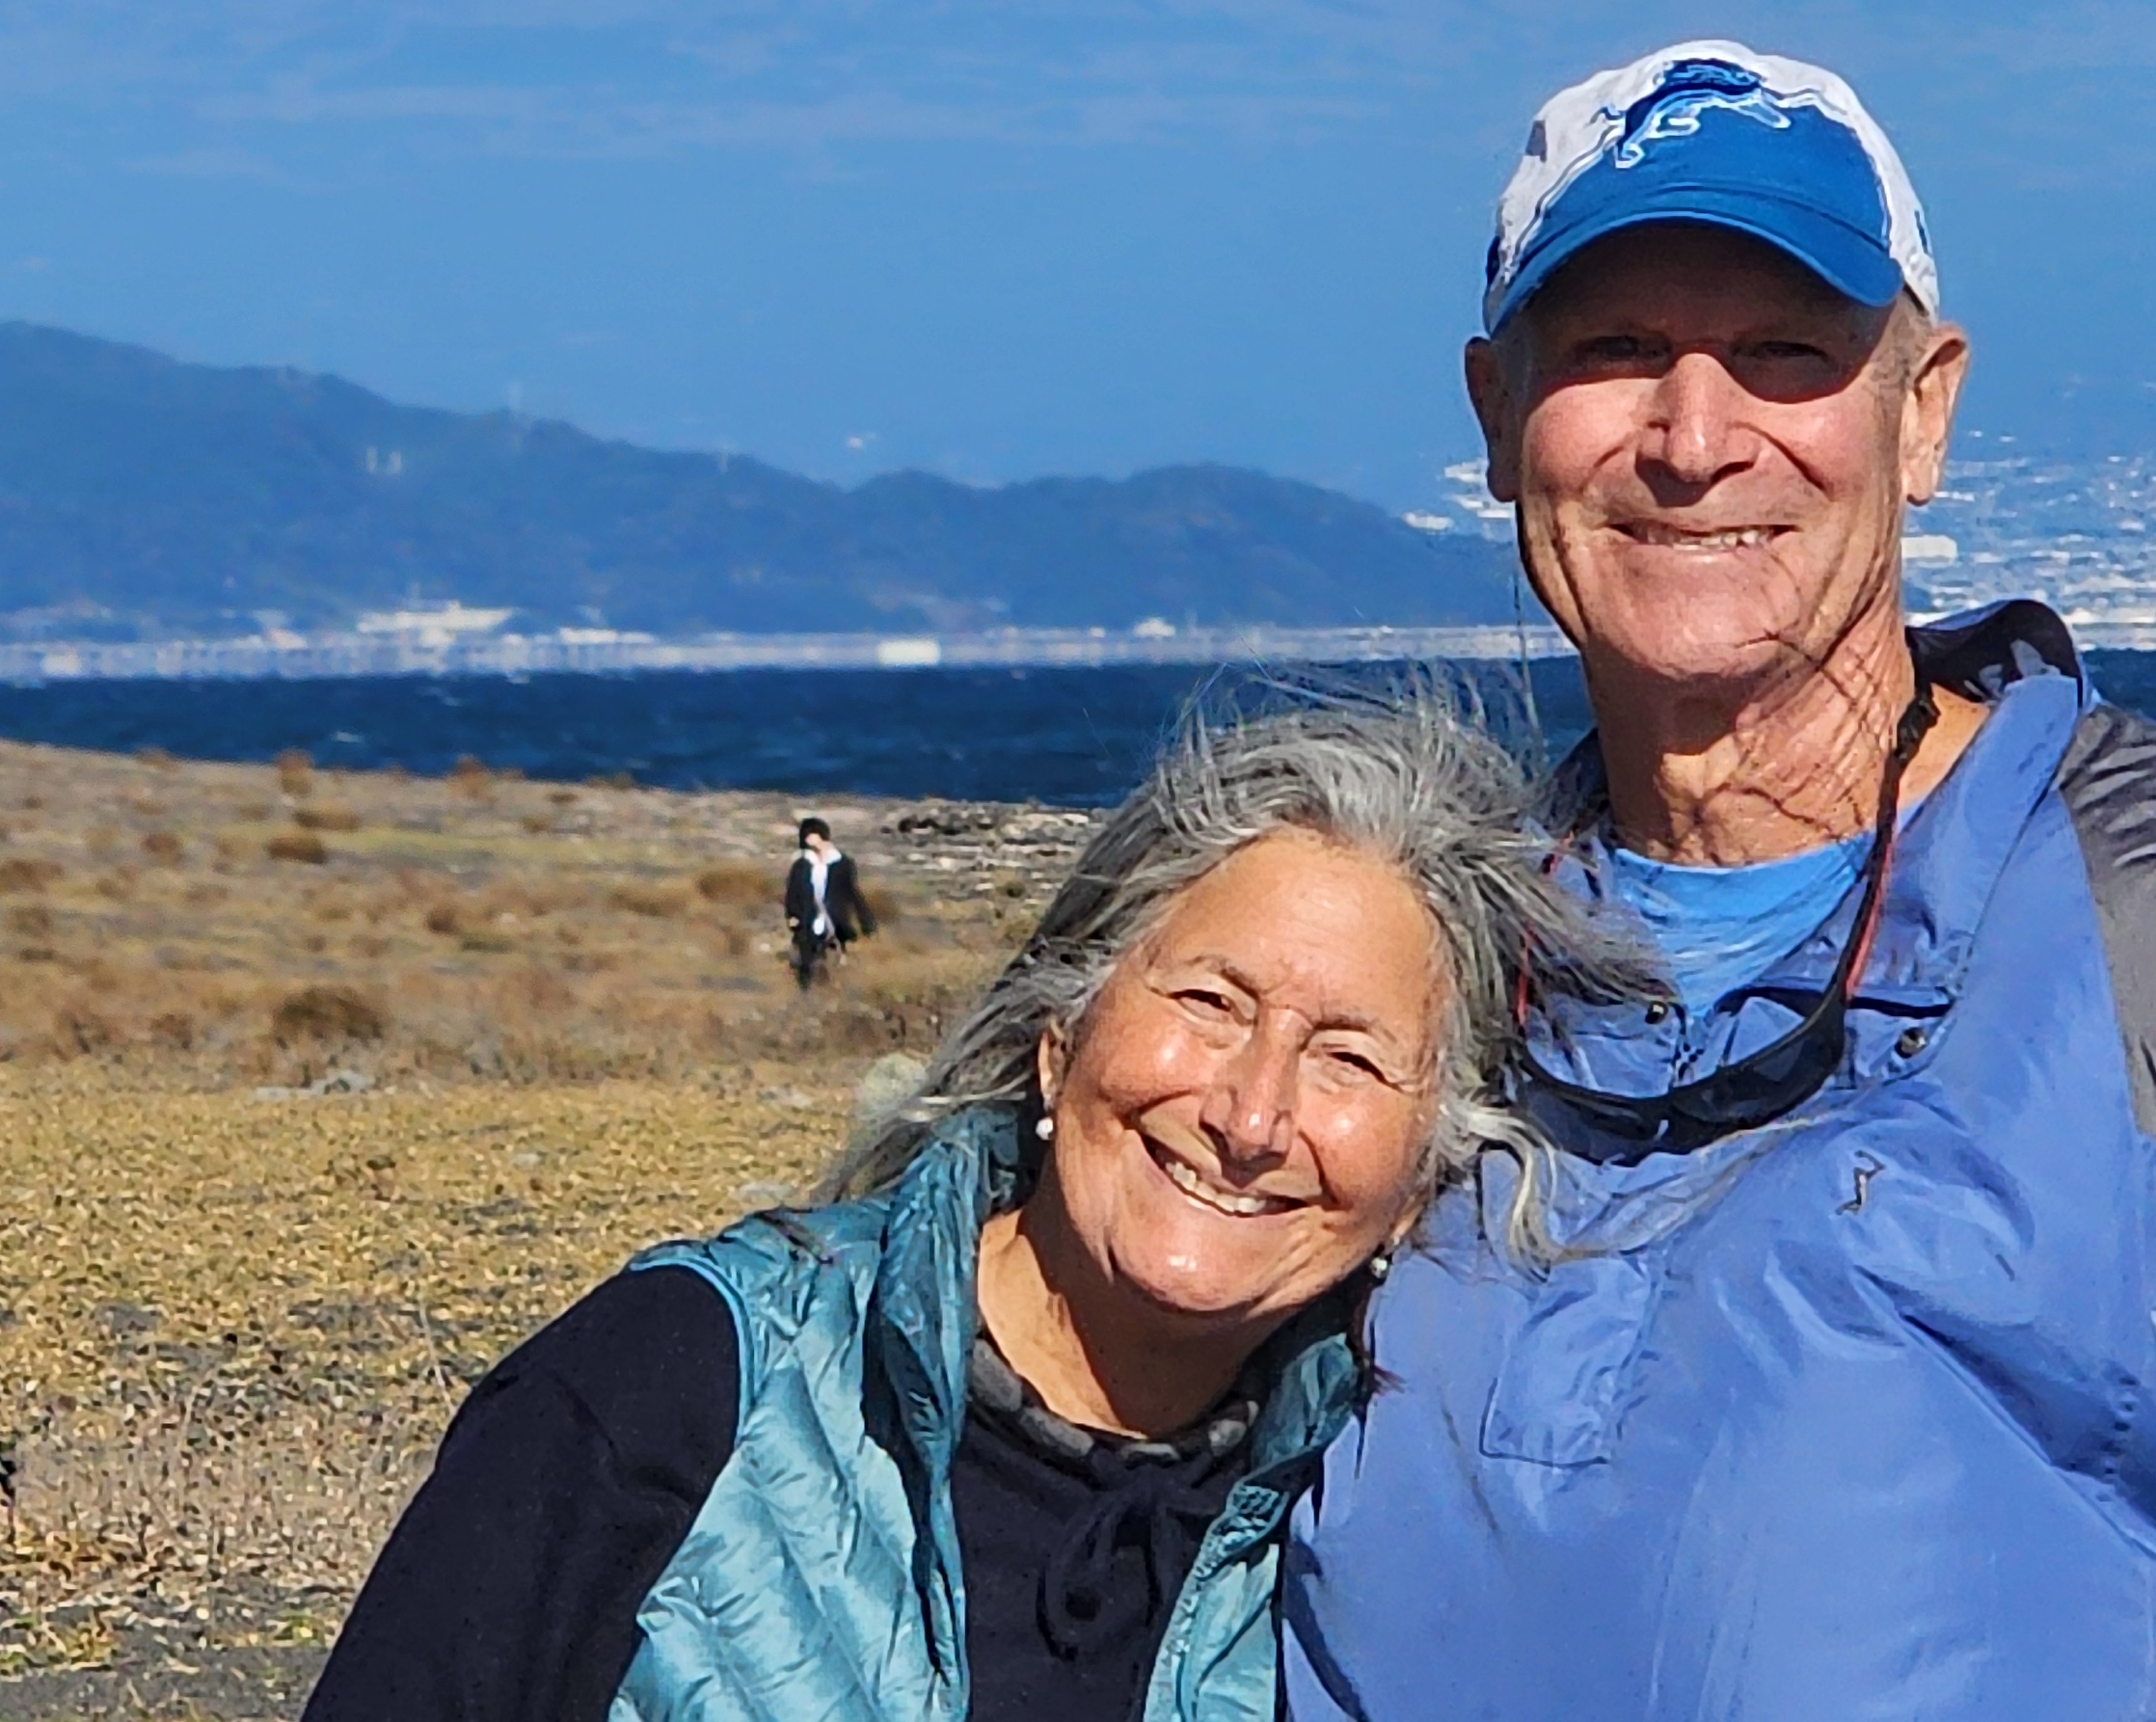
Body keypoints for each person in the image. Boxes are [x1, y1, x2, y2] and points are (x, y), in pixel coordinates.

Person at [1285, 39, 2156, 1722]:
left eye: (1786, 354)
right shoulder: (1399, 954)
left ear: (1925, 407)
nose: (1695, 435)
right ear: (1498, 420)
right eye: (1615, 351)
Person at [304, 699, 1644, 1722]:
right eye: (1208, 1003)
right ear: (1059, 1040)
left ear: (1425, 1177)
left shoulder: (1375, 1525)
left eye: (1349, 1057)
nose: (1251, 1115)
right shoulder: (686, 1385)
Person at [783, 814, 875, 985]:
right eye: (805, 835)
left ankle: (830, 993)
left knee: (833, 962)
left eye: (811, 834)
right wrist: (792, 915)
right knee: (806, 963)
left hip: (835, 920)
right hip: (808, 920)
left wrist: (866, 922)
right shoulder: (801, 865)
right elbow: (792, 892)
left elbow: (853, 893)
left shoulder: (843, 864)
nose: (808, 839)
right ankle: (807, 995)